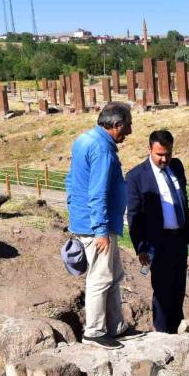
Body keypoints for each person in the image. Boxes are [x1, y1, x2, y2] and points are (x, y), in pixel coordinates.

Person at [66, 102, 133, 349]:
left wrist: (74, 213)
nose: (129, 131)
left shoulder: (84, 140)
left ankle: (116, 326)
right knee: (100, 278)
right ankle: (94, 331)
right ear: (115, 125)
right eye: (127, 126)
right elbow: (98, 192)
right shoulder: (103, 149)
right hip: (97, 227)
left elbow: (70, 180)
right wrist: (100, 229)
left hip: (89, 221)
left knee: (113, 275)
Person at [126, 130, 189, 334]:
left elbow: (182, 198)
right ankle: (162, 332)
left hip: (179, 238)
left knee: (179, 288)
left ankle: (177, 331)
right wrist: (140, 247)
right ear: (149, 149)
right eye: (159, 154)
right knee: (162, 290)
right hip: (157, 242)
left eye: (168, 153)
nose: (164, 159)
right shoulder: (136, 176)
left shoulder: (177, 166)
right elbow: (134, 215)